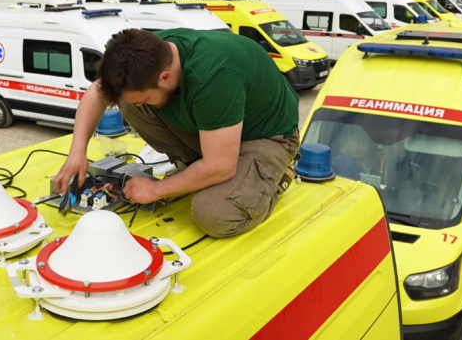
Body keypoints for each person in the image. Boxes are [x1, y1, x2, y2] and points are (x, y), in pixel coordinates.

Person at [53, 28, 300, 238]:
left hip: (265, 136)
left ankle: (271, 180)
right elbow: (98, 91)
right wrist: (77, 153)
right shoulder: (150, 53)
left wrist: (155, 190)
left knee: (214, 215)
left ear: (166, 77)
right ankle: (194, 167)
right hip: (217, 127)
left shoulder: (215, 76)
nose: (141, 107)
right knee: (126, 99)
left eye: (145, 100)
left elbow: (222, 166)